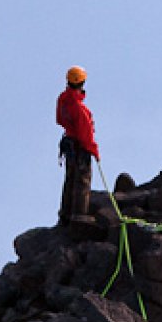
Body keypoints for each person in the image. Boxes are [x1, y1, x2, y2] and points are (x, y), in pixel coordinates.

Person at [55, 65, 99, 224]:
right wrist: (94, 151)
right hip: (80, 147)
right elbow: (86, 134)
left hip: (70, 145)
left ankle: (65, 214)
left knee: (70, 179)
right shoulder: (79, 108)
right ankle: (79, 217)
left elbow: (59, 119)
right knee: (82, 181)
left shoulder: (63, 99)